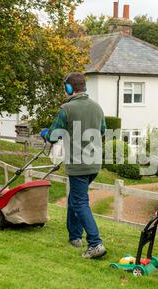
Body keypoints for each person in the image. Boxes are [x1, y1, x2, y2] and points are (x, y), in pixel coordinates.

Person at [41, 72, 107, 259]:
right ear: (84, 87)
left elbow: (53, 136)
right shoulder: (97, 108)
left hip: (78, 165)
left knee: (79, 202)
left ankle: (95, 243)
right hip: (94, 164)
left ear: (69, 88)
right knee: (75, 198)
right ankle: (75, 236)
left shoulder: (67, 109)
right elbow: (102, 130)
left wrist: (45, 133)